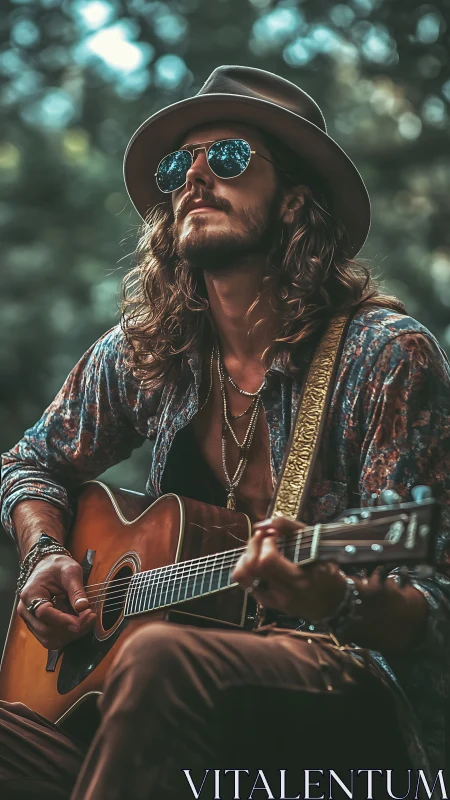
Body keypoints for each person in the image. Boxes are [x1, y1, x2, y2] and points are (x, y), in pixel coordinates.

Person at [0, 65, 449, 800]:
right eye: (180, 165)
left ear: (297, 198)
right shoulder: (150, 352)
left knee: (156, 657)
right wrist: (47, 554)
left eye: (229, 157)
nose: (195, 177)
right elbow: (29, 462)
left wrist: (329, 597)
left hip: (341, 710)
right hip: (147, 712)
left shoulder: (385, 357)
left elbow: (432, 606)